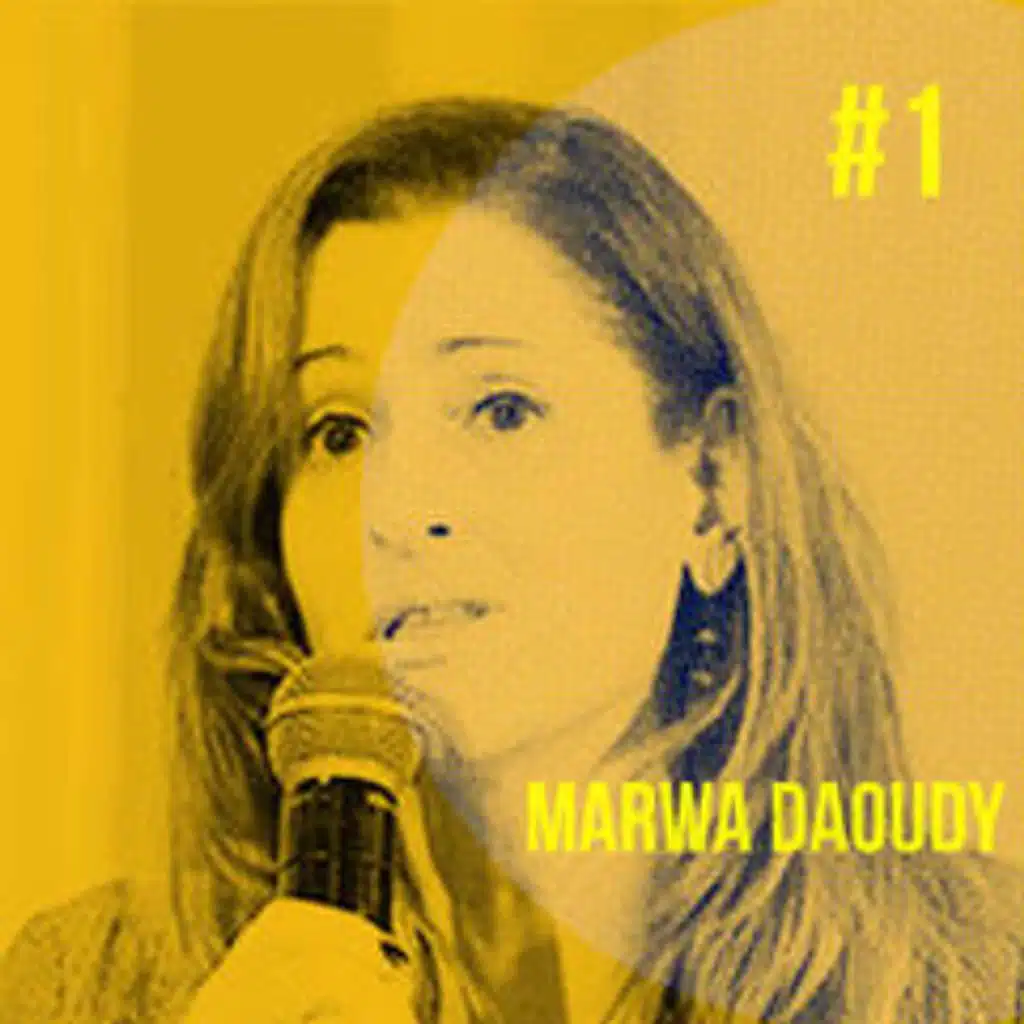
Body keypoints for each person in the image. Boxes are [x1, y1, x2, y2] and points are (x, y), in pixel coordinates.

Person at [2, 97, 1021, 1023]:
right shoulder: (86, 989)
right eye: (340, 432)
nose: (402, 510)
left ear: (714, 487)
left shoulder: (980, 976)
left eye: (500, 410)